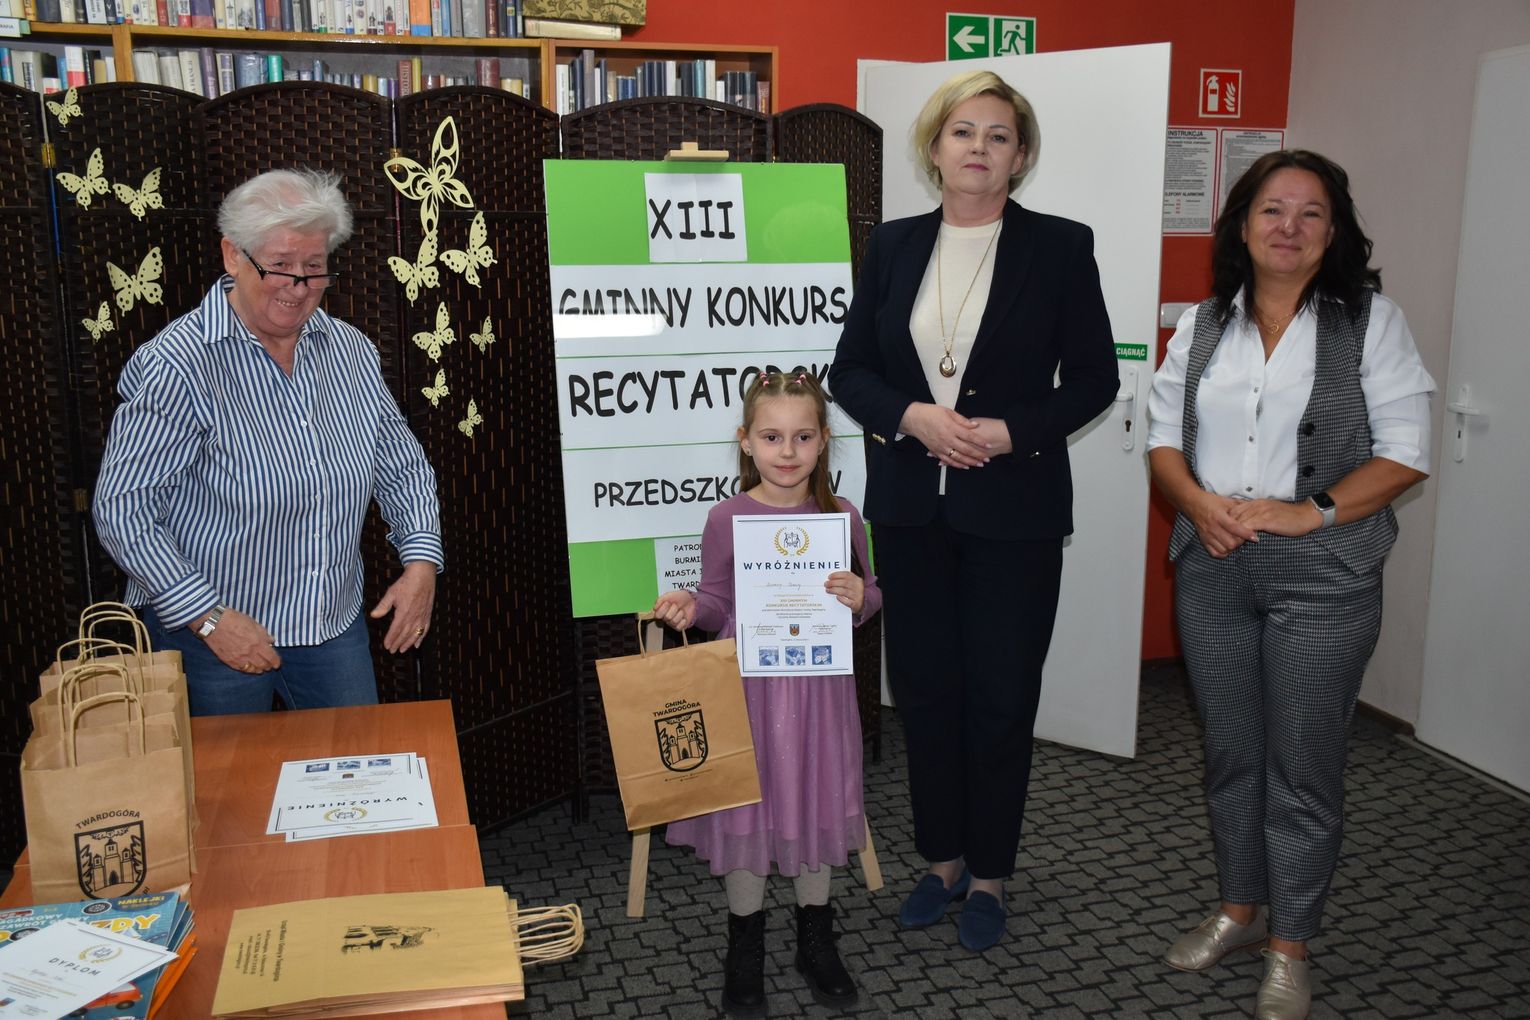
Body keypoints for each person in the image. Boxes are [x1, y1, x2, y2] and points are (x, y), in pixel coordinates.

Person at [828, 69, 1117, 951]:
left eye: (998, 135)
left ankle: (990, 873)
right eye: (962, 132)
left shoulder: (1060, 247)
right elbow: (850, 370)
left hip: (1014, 512)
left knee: (1000, 696)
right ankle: (942, 860)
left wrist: (1009, 432)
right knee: (924, 693)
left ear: (1019, 155)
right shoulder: (893, 246)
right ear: (935, 147)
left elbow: (1095, 379)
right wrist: (911, 417)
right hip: (912, 511)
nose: (979, 148)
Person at [1146, 149, 1434, 1020]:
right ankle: (1240, 910)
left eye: (1311, 213)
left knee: (1302, 766)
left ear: (1333, 231)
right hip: (1215, 565)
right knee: (1231, 755)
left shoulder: (1371, 323)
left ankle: (1291, 944)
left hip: (1324, 574)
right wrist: (1198, 504)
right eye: (1272, 209)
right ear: (1242, 224)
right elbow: (1163, 439)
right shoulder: (1204, 324)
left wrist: (1312, 512)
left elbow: (1406, 452)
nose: (1289, 227)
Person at [93, 168, 442, 716]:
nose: (298, 286)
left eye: (314, 268)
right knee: (229, 773)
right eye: (280, 265)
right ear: (233, 255)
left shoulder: (349, 350)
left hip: (329, 623)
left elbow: (401, 466)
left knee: (352, 764)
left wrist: (421, 562)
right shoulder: (179, 365)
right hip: (213, 634)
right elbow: (122, 508)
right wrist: (208, 618)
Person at [652, 370, 882, 1017]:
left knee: (816, 799)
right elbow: (718, 602)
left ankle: (816, 937)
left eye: (803, 437)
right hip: (750, 696)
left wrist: (862, 598)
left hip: (820, 698)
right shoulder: (726, 518)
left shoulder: (842, 516)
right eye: (773, 436)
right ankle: (745, 944)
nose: (788, 451)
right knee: (749, 810)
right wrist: (689, 605)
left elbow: (871, 593)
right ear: (746, 441)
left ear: (823, 440)